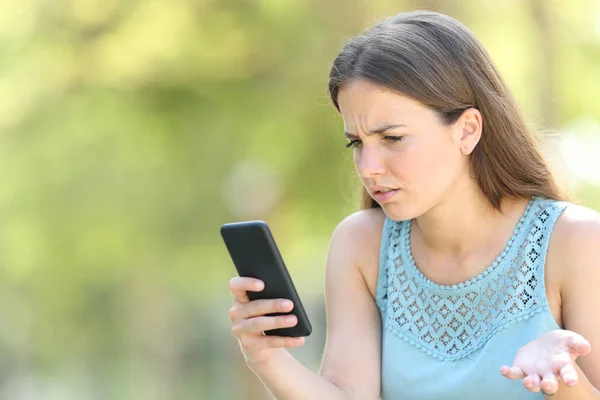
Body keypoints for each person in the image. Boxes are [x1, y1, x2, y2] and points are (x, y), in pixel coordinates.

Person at [227, 10, 600, 399]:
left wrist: (562, 378)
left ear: (467, 130)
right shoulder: (361, 247)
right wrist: (266, 358)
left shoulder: (576, 241)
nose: (368, 169)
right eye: (356, 143)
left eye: (392, 138)